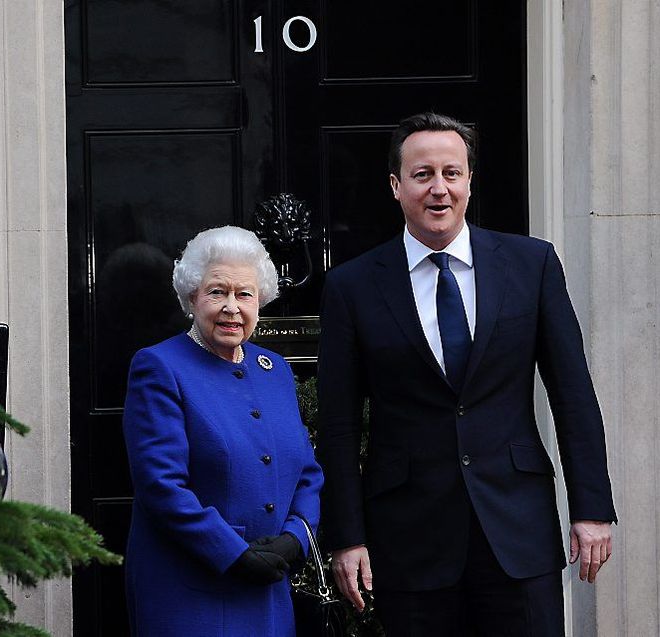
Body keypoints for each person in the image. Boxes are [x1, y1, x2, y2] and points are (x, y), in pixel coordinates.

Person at [315, 112, 617, 636]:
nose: (439, 189)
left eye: (452, 173)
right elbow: (339, 424)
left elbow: (572, 395)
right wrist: (346, 537)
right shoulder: (352, 286)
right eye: (422, 174)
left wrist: (592, 508)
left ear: (470, 181)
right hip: (409, 540)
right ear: (396, 186)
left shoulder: (532, 264)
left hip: (518, 533)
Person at [123, 225, 324, 636]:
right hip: (192, 592)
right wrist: (232, 552)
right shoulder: (160, 367)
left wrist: (296, 540)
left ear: (260, 301)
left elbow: (307, 472)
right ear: (192, 297)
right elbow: (161, 487)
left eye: (244, 294)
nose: (232, 307)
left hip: (269, 592)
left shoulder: (275, 371)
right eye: (218, 292)